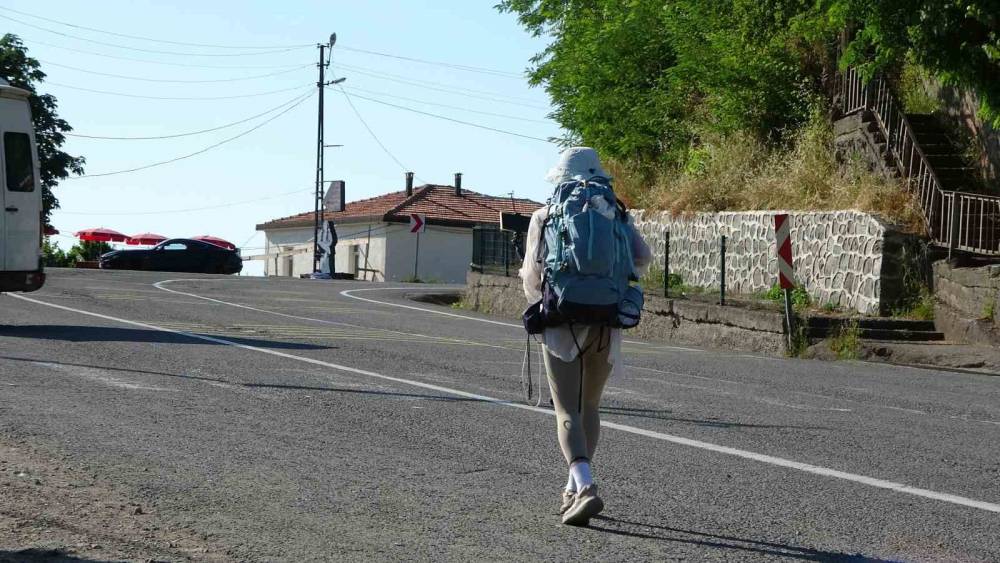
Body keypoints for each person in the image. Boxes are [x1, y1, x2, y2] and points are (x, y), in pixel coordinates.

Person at [519, 147, 652, 526]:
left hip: (562, 322)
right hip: (607, 321)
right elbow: (643, 258)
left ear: (561, 176)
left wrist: (543, 302)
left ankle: (586, 486)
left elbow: (532, 276)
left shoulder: (546, 215)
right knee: (589, 407)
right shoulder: (616, 212)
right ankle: (572, 490)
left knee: (566, 410)